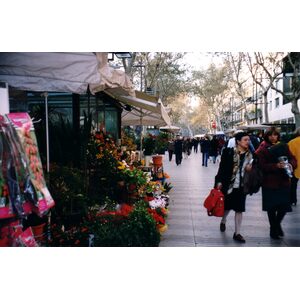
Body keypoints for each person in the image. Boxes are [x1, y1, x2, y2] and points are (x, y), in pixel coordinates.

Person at [255, 127, 297, 239]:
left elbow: (293, 159)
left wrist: (290, 165)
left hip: (284, 181)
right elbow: (261, 166)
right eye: (270, 135)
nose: (273, 137)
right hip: (269, 182)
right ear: (267, 136)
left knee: (284, 207)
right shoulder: (262, 149)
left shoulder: (284, 146)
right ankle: (273, 229)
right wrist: (276, 166)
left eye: (275, 135)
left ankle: (276, 225)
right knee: (271, 208)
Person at [215, 132, 253, 243]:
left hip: (242, 186)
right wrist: (219, 181)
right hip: (229, 186)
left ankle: (237, 233)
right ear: (238, 141)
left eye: (248, 140)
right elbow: (221, 169)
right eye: (245, 140)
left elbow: (253, 170)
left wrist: (250, 170)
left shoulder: (250, 155)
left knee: (239, 209)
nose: (248, 142)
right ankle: (223, 220)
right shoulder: (228, 152)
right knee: (227, 207)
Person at [288, 127, 300, 205]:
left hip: (295, 167)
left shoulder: (292, 142)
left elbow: (289, 155)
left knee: (293, 184)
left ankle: (293, 200)